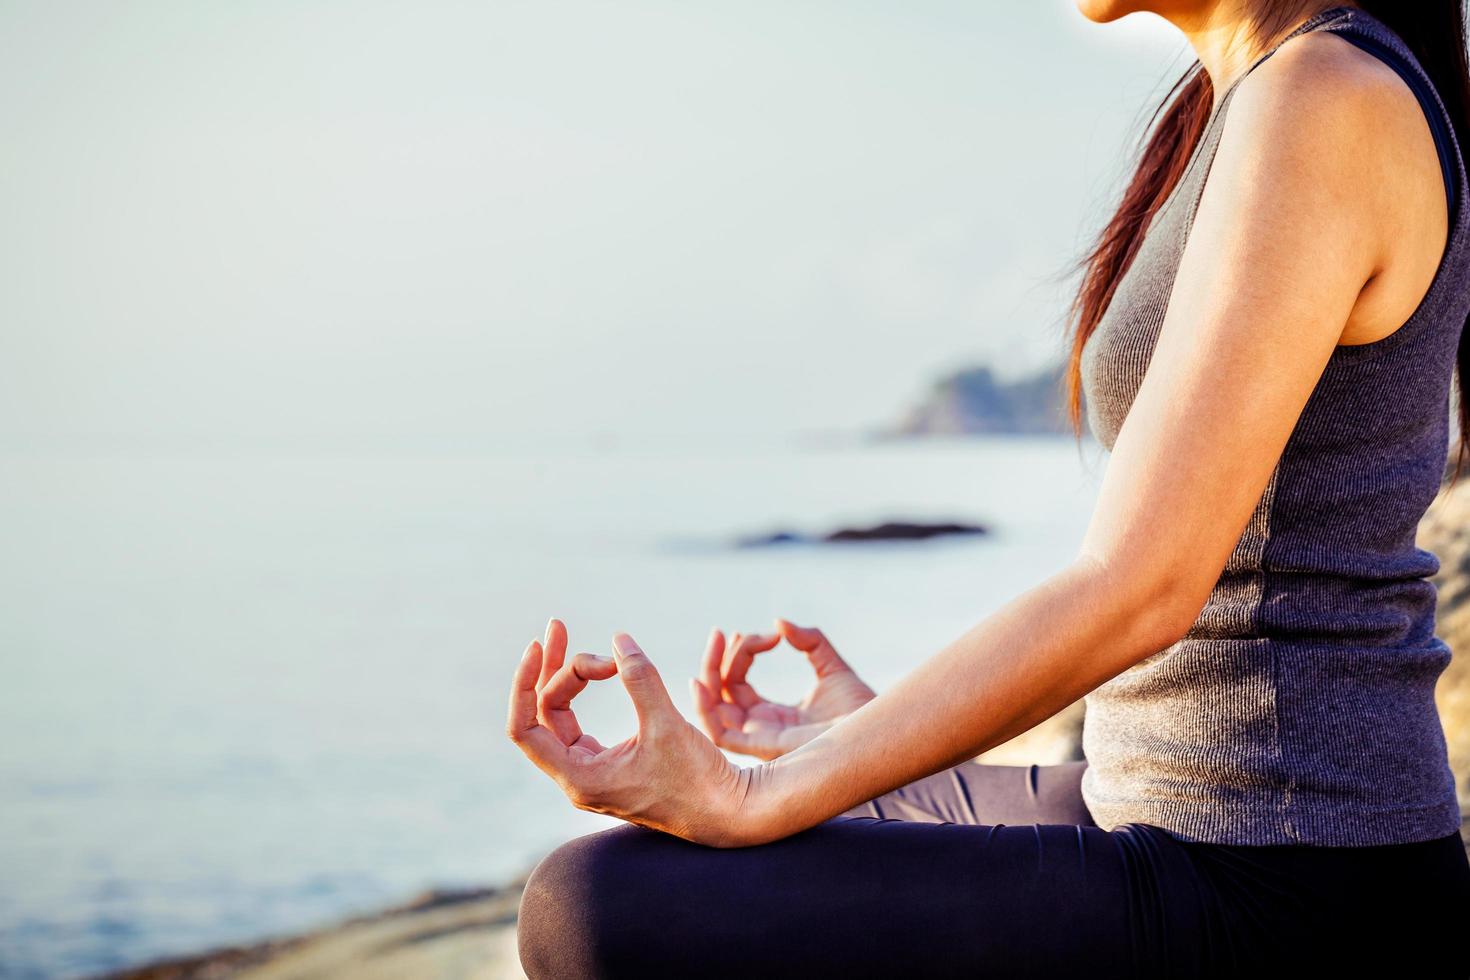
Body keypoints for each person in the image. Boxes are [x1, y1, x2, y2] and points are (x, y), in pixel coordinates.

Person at [506, 3, 1470, 976]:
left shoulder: (1326, 99)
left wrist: (762, 790)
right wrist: (859, 735)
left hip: (1297, 876)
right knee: (702, 846)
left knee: (588, 908)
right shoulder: (1234, 102)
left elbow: (1142, 584)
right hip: (1150, 796)